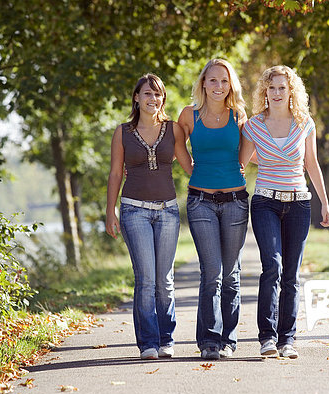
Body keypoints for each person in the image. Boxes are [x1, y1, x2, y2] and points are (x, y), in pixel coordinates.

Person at [240, 65, 329, 359]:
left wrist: (325, 203)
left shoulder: (305, 123)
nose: (277, 93)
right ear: (264, 92)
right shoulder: (253, 126)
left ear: (291, 91)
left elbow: (312, 165)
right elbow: (241, 163)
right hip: (265, 201)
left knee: (291, 275)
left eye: (282, 87)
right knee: (273, 268)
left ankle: (287, 339)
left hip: (299, 204)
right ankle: (267, 337)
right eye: (272, 88)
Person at [106, 73, 192, 360]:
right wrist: (110, 211)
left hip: (168, 210)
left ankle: (166, 339)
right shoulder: (123, 132)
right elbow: (116, 172)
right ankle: (148, 344)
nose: (152, 99)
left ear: (162, 99)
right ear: (136, 97)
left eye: (157, 94)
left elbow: (188, 164)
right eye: (147, 94)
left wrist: (223, 175)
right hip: (133, 210)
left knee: (164, 280)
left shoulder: (173, 129)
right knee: (145, 279)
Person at [177, 59, 248, 360]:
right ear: (203, 83)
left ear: (230, 85)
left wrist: (238, 168)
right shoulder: (188, 115)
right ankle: (209, 341)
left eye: (224, 81)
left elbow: (246, 154)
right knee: (212, 272)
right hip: (200, 202)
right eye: (213, 80)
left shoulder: (239, 115)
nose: (219, 86)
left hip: (235, 202)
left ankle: (228, 340)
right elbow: (178, 147)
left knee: (231, 274)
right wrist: (192, 170)